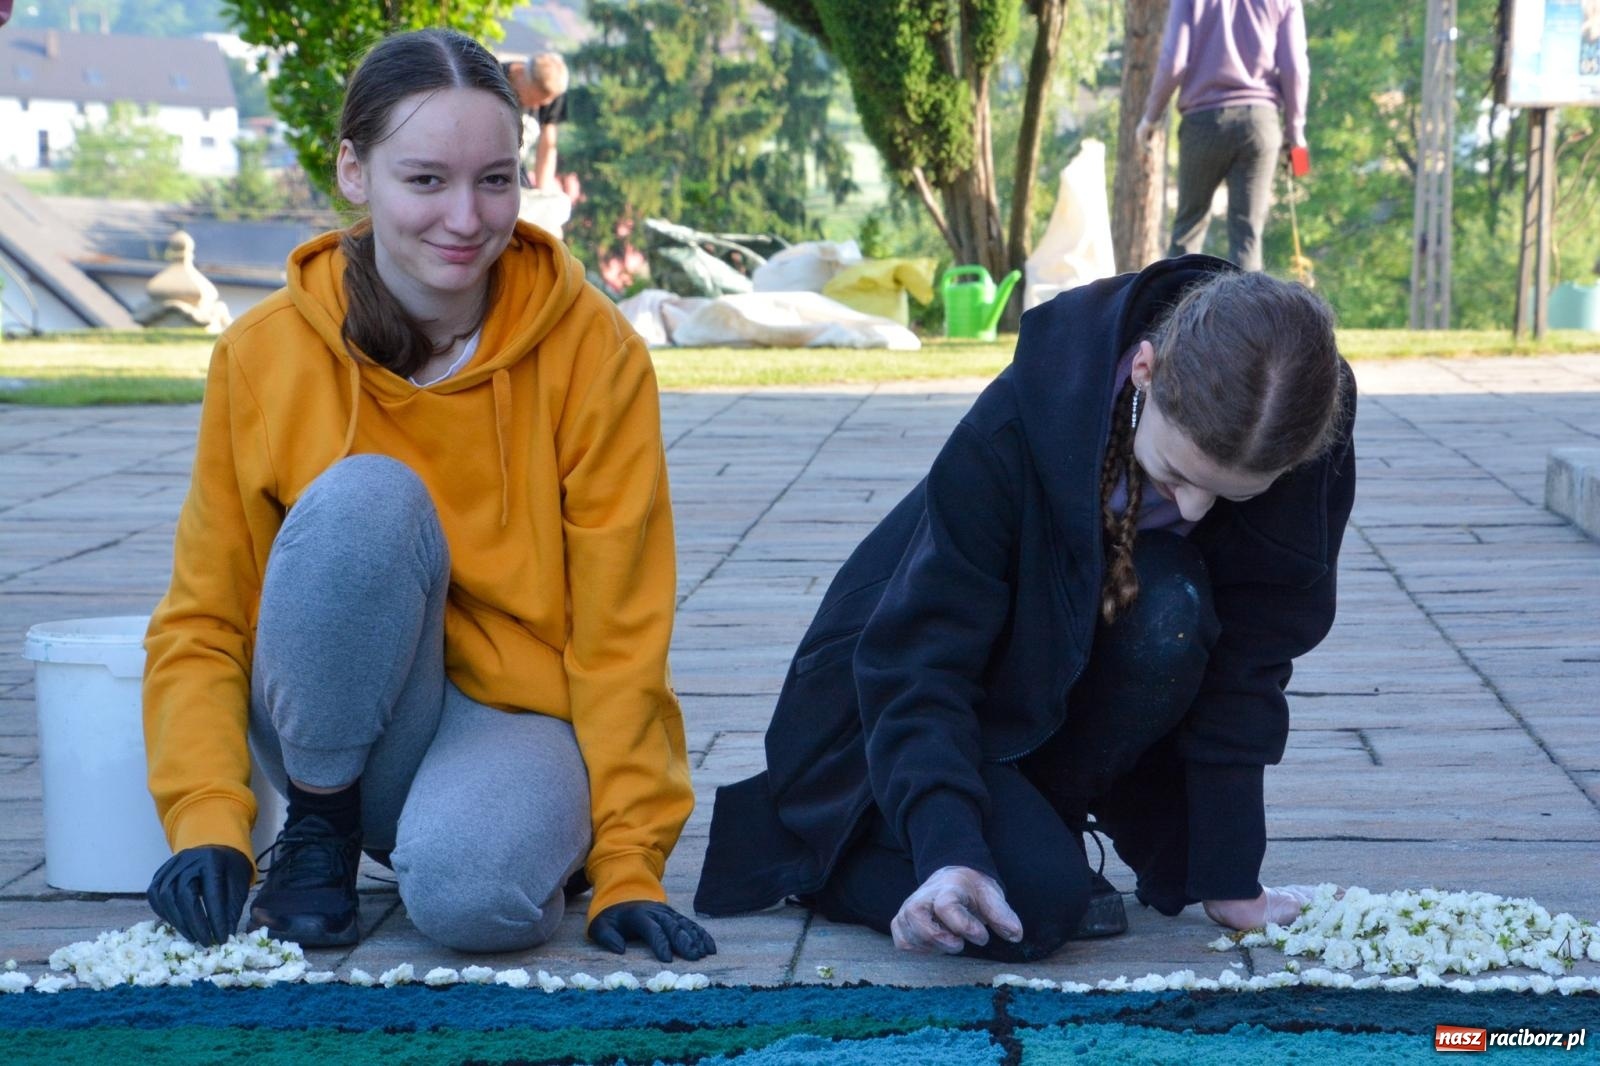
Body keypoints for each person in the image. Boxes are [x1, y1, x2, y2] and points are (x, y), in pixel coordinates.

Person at [141, 28, 714, 965]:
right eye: (425, 180)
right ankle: (319, 836)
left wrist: (627, 863)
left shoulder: (596, 355)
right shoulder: (265, 354)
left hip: (518, 720)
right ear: (354, 174)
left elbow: (623, 634)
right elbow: (204, 615)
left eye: (495, 179)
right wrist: (207, 818)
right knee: (367, 500)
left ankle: (506, 833)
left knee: (472, 903)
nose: (466, 217)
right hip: (328, 718)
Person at [694, 256, 1356, 962]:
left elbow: (1250, 660)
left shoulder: (1289, 422)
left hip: (1049, 696)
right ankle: (845, 858)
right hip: (890, 709)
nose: (1194, 508)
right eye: (1178, 475)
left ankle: (1041, 816)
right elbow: (919, 662)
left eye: (1235, 495)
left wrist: (1229, 879)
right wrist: (949, 851)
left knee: (1170, 603)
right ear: (1143, 371)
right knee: (1033, 910)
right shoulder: (1019, 424)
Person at [1135, 0, 1309, 272]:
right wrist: (1294, 131)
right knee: (1248, 236)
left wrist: (1151, 117)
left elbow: (1174, 60)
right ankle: (1250, 314)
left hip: (1203, 123)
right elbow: (1295, 67)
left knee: (1187, 232)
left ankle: (1174, 309)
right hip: (1259, 123)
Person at [502, 52, 569, 192]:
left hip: (517, 164)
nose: (537, 107)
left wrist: (542, 190)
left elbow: (548, 145)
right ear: (523, 77)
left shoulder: (553, 94)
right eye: (535, 99)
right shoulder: (496, 78)